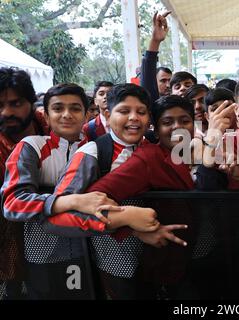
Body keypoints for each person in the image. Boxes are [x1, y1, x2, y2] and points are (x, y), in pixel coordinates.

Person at [46, 84, 186, 299]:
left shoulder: (155, 148)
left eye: (141, 112)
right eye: (124, 111)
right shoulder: (92, 153)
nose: (134, 118)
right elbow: (58, 217)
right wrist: (127, 222)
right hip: (115, 263)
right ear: (107, 114)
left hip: (157, 260)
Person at [1, 83, 127, 299]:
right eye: (58, 108)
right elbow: (13, 204)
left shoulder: (99, 148)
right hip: (41, 254)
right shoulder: (30, 146)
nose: (67, 115)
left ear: (87, 114)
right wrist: (73, 201)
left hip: (88, 251)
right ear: (46, 117)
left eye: (75, 108)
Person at [0, 67, 49, 299]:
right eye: (0, 106)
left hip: (59, 241)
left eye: (15, 103)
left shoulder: (53, 127)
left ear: (32, 102)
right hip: (9, 243)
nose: (6, 112)